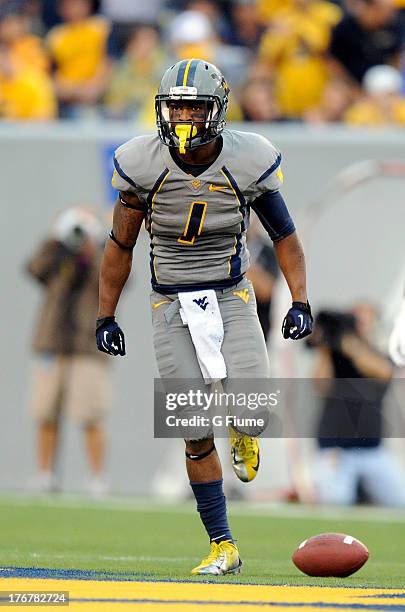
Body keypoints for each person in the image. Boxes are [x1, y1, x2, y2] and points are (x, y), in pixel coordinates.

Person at [96, 59, 312, 575]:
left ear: (218, 110)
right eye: (176, 108)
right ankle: (223, 544)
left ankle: (244, 430)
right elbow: (119, 244)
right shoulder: (141, 162)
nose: (185, 119)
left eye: (195, 107)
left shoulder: (247, 158)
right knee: (192, 429)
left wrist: (300, 299)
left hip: (230, 294)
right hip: (168, 300)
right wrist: (105, 315)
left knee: (253, 409)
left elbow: (286, 237)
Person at [27, 207, 111, 496]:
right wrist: (57, 238)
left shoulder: (98, 257)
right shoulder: (57, 256)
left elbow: (113, 278)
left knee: (90, 415)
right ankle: (45, 475)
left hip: (86, 347)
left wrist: (94, 246)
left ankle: (97, 478)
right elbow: (33, 269)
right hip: (52, 344)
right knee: (46, 413)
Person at [311, 304, 405, 507]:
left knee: (400, 500)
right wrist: (325, 348)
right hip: (335, 449)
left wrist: (352, 347)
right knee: (334, 502)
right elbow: (321, 385)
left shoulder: (381, 351)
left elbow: (384, 373)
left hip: (372, 450)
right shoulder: (335, 357)